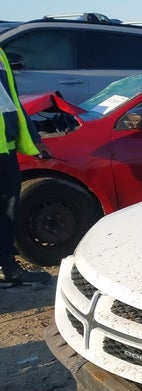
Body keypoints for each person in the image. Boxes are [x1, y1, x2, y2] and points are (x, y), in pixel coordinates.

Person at [0, 46, 49, 284]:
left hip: (4, 147)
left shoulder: (0, 54)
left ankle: (8, 267)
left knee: (8, 209)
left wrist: (34, 137)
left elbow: (12, 101)